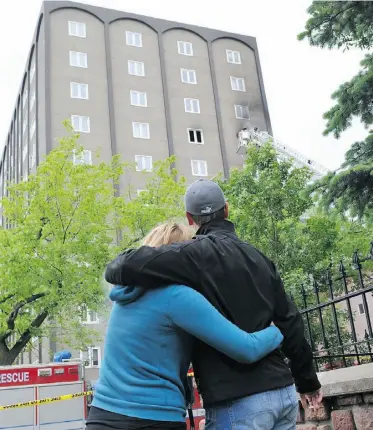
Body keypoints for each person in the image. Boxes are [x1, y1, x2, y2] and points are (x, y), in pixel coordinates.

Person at [105, 179, 323, 430]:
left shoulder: (192, 255)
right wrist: (308, 382)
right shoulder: (260, 258)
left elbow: (122, 267)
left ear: (190, 218)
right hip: (283, 394)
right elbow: (291, 320)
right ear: (227, 209)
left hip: (238, 400)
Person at [87, 222, 284, 430]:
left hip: (102, 416)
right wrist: (277, 329)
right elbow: (247, 349)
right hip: (154, 418)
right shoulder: (176, 296)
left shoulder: (123, 295)